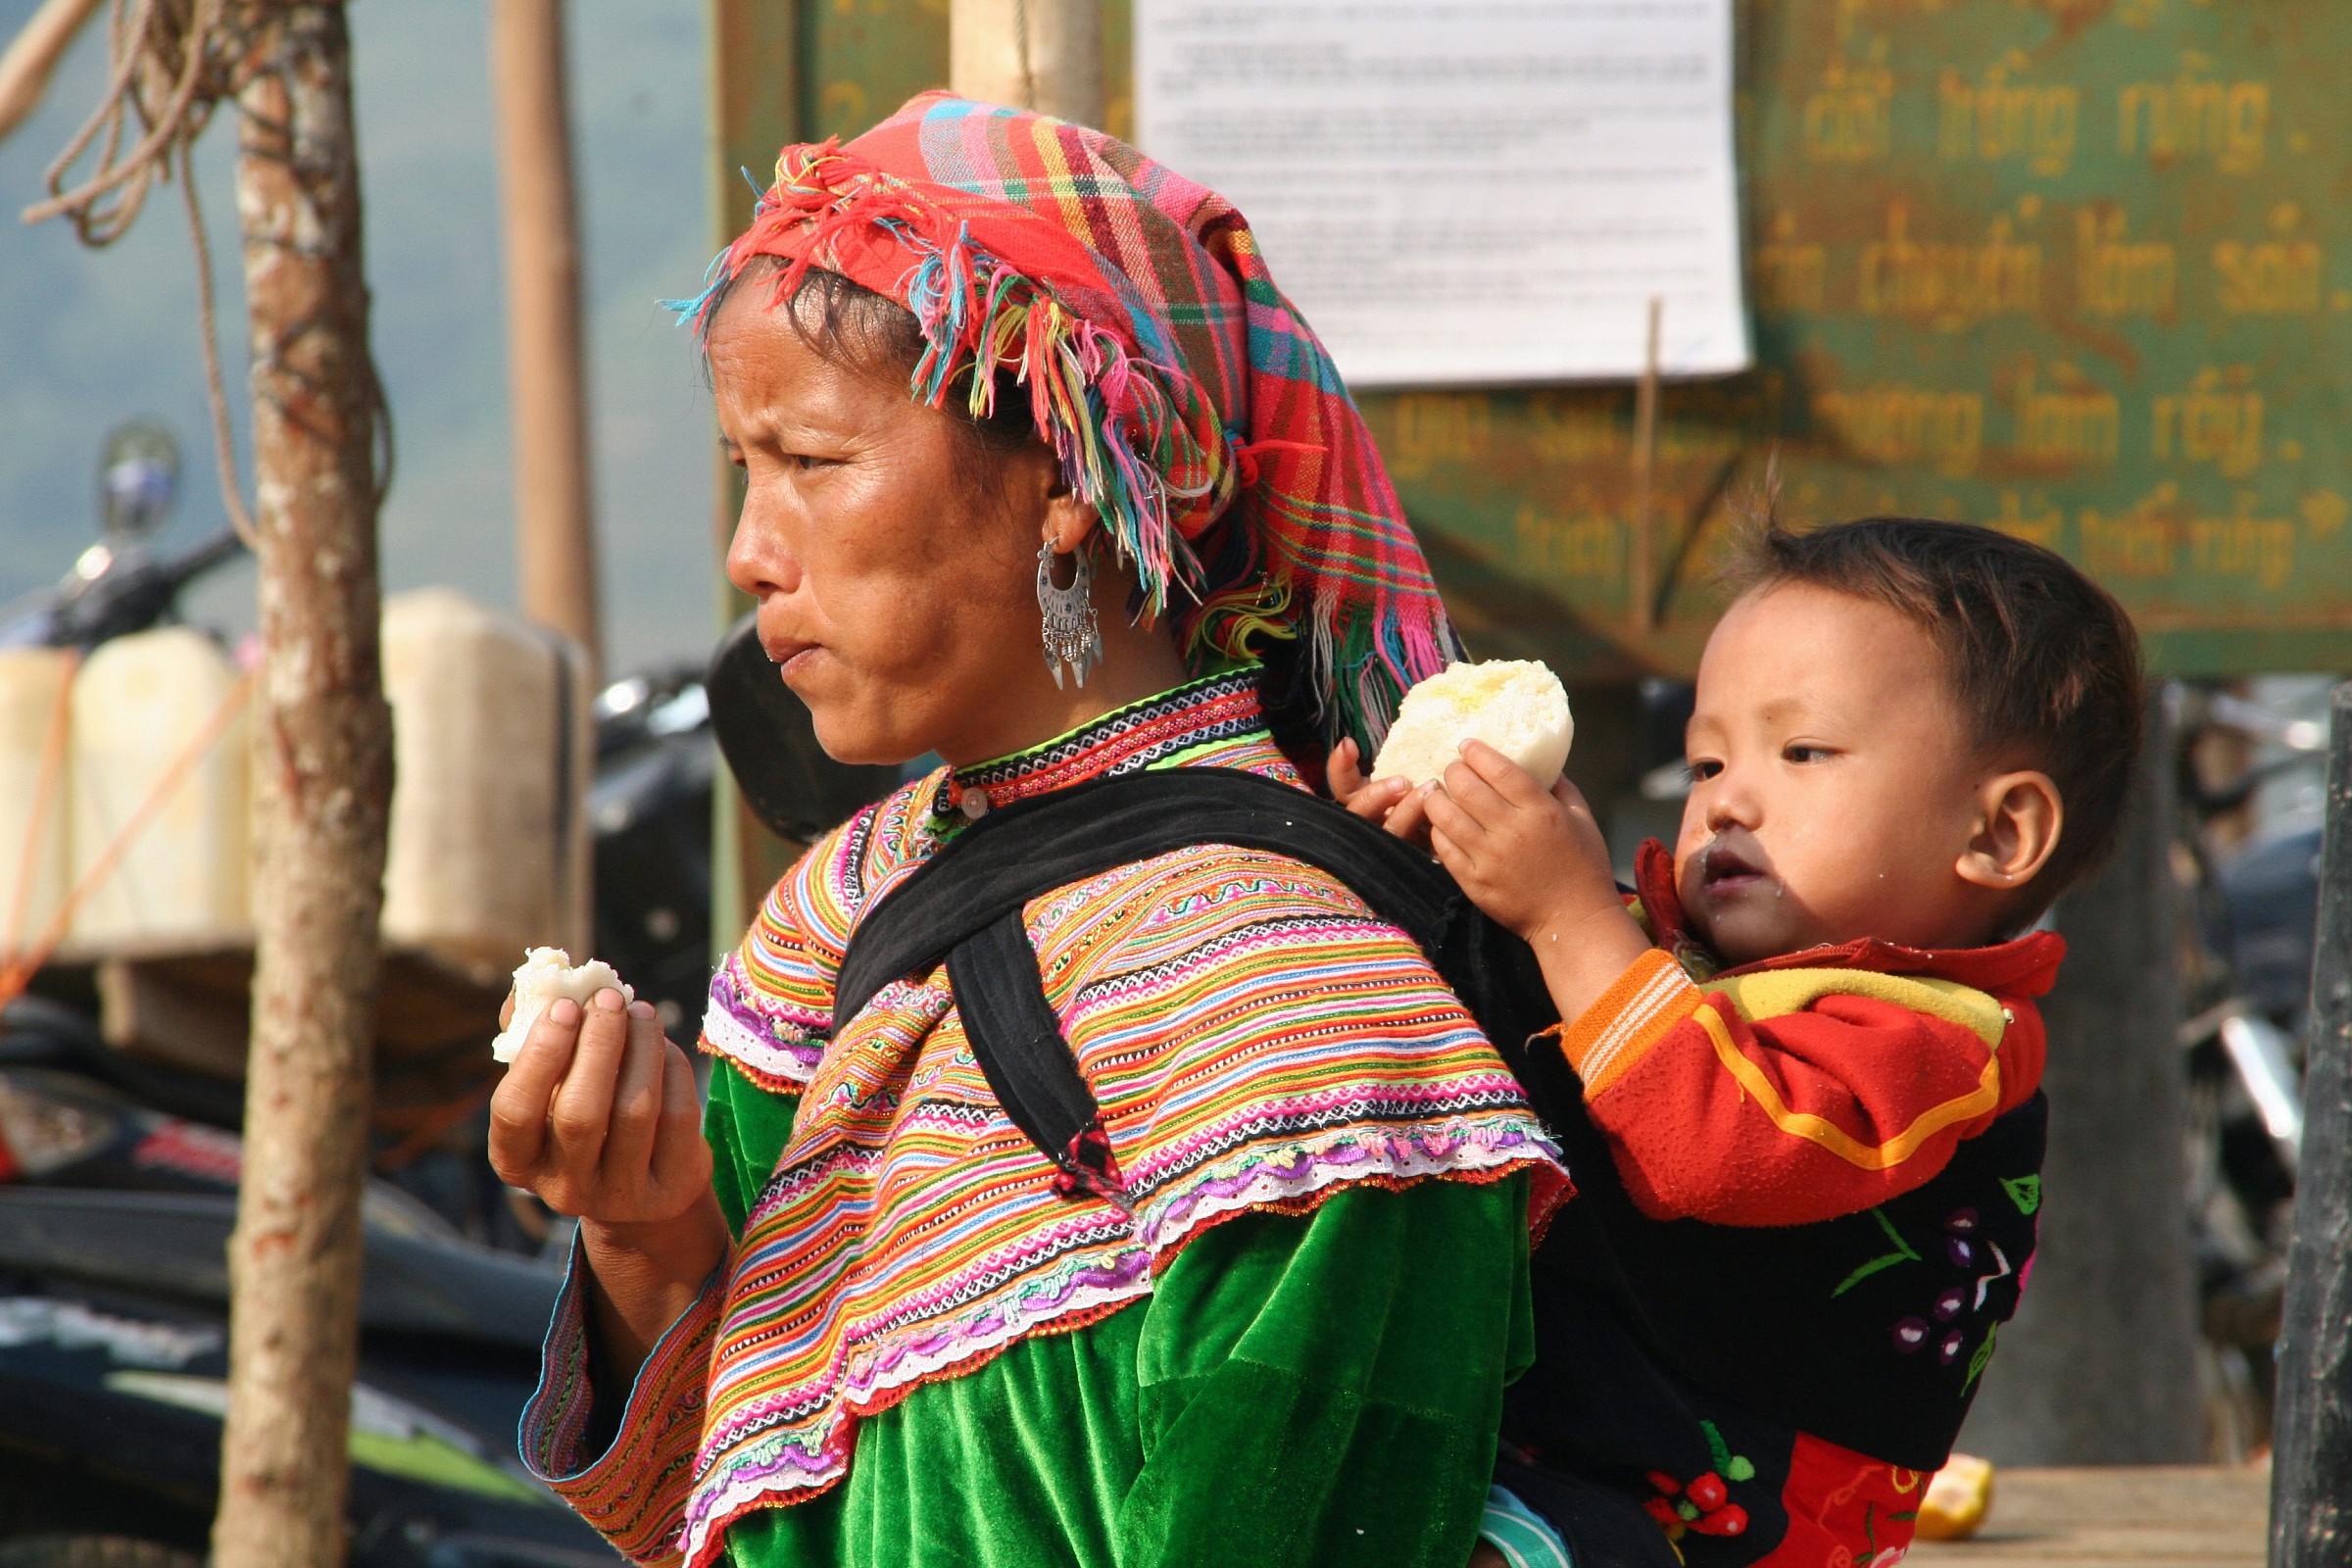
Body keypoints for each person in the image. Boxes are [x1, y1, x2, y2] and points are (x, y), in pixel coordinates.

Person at [487, 92, 1569, 1568]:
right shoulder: (832, 926)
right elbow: (702, 1513)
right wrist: (642, 1232)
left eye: (813, 461)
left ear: (1064, 474)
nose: (750, 553)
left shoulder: (1299, 1016)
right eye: (747, 471)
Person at [1338, 517, 2145, 1567]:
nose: (1727, 798)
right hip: (1568, 1454)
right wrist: (1418, 866)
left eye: (1803, 751)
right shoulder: (1677, 959)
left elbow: (1720, 1143)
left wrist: (1564, 916)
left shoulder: (1941, 1038)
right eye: (1705, 761)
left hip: (1712, 1521)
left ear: (1997, 833)